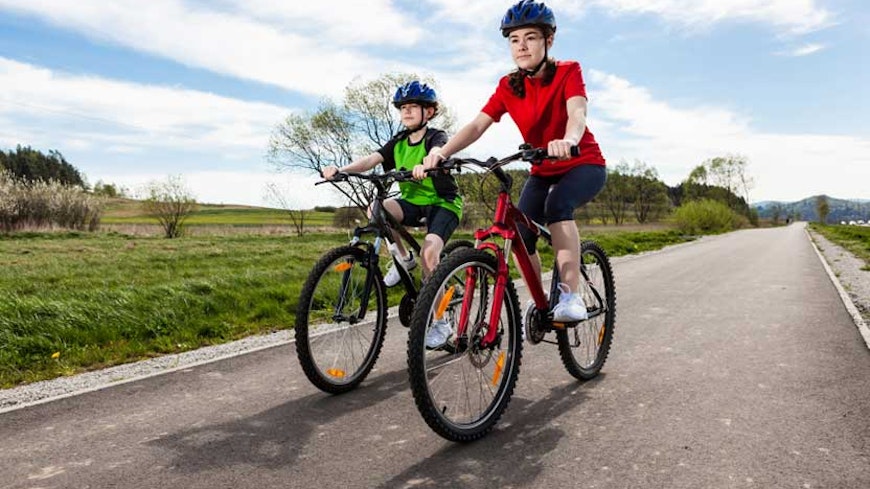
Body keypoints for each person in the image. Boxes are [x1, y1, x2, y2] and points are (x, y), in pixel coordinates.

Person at [419, 0, 606, 323]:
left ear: (548, 40)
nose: (521, 46)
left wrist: (569, 140)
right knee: (520, 233)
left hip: (582, 163)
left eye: (530, 37)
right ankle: (543, 303)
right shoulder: (509, 86)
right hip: (541, 168)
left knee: (557, 207)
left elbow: (577, 113)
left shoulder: (567, 71)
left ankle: (570, 295)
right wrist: (442, 151)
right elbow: (478, 125)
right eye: (514, 40)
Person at [322, 81, 463, 348]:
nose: (407, 112)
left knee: (430, 256)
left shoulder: (436, 136)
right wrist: (341, 170)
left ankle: (442, 324)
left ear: (429, 112)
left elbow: (437, 151)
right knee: (377, 209)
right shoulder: (398, 142)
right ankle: (402, 258)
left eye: (413, 107)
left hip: (442, 203)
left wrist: (429, 161)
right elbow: (371, 160)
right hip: (412, 202)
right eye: (403, 108)